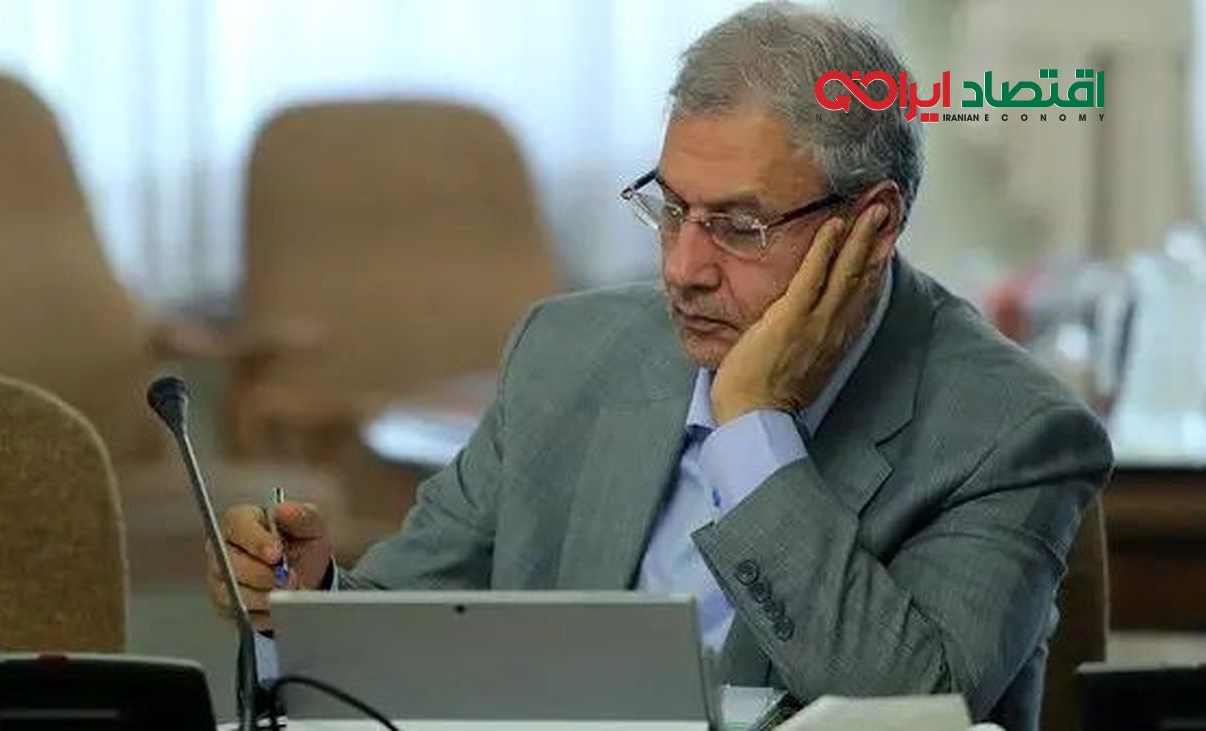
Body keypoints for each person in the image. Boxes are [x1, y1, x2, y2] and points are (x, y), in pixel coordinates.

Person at [208, 4, 1111, 729]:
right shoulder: (567, 353)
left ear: (871, 228)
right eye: (672, 208)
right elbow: (407, 626)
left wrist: (751, 427)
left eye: (738, 226)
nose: (682, 268)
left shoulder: (1010, 431)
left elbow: (914, 708)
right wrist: (307, 597)